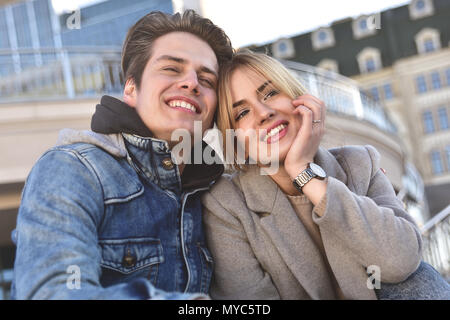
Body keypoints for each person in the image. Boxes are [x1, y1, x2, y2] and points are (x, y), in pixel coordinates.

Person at [11, 10, 233, 299]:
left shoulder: (219, 193)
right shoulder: (72, 169)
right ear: (131, 88)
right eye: (172, 69)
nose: (192, 82)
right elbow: (54, 294)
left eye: (207, 79)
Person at [201, 50, 450, 300]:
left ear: (300, 99)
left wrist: (303, 172)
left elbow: (400, 260)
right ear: (235, 141)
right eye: (241, 114)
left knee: (419, 279)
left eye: (271, 93)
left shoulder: (360, 163)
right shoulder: (226, 205)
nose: (264, 112)